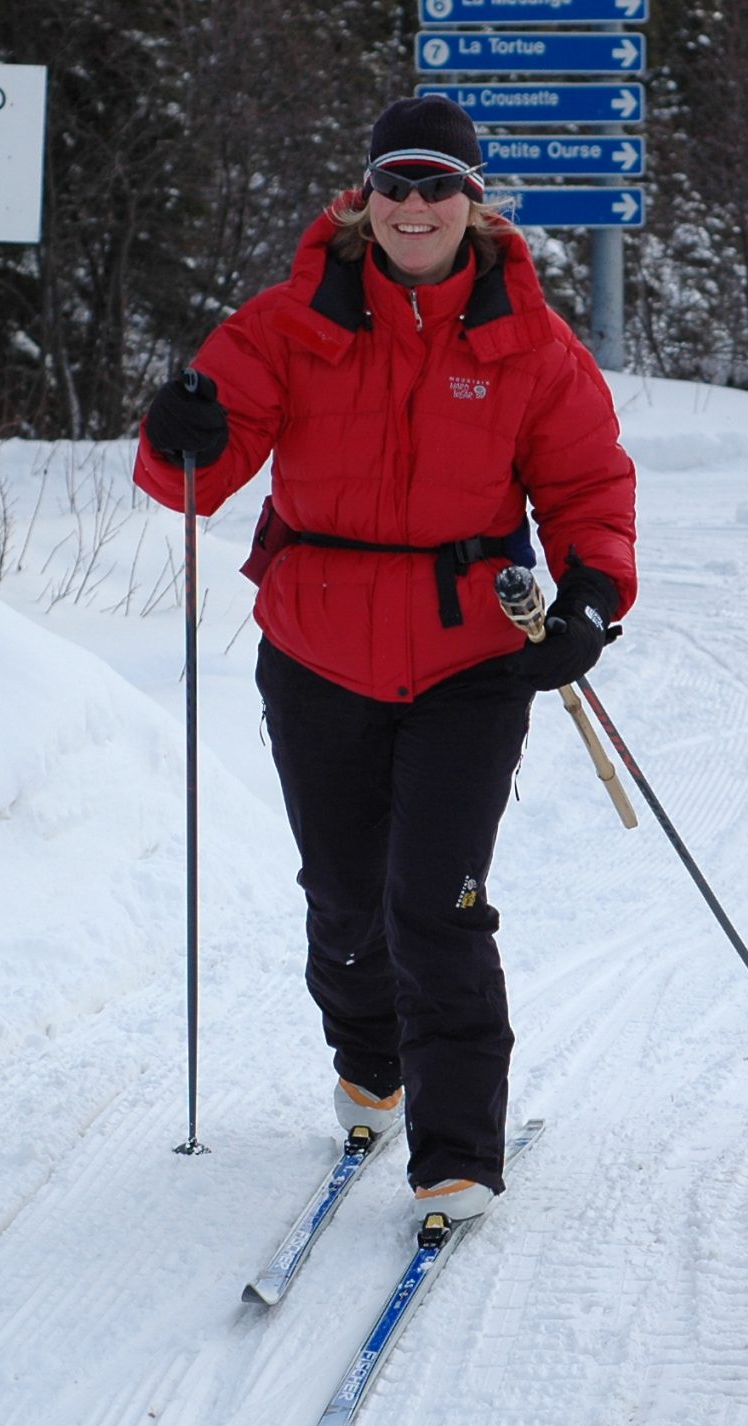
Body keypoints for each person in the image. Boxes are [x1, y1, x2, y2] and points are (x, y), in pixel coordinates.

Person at [133, 94, 636, 1219]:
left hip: (470, 661)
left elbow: (589, 485)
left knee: (437, 903)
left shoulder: (529, 342)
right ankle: (372, 1062)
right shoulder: (289, 322)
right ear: (365, 198)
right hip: (316, 649)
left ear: (475, 201)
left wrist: (591, 600)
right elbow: (192, 479)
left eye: (438, 185)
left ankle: (457, 1151)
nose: (416, 205)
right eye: (396, 184)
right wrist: (179, 435)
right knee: (345, 897)